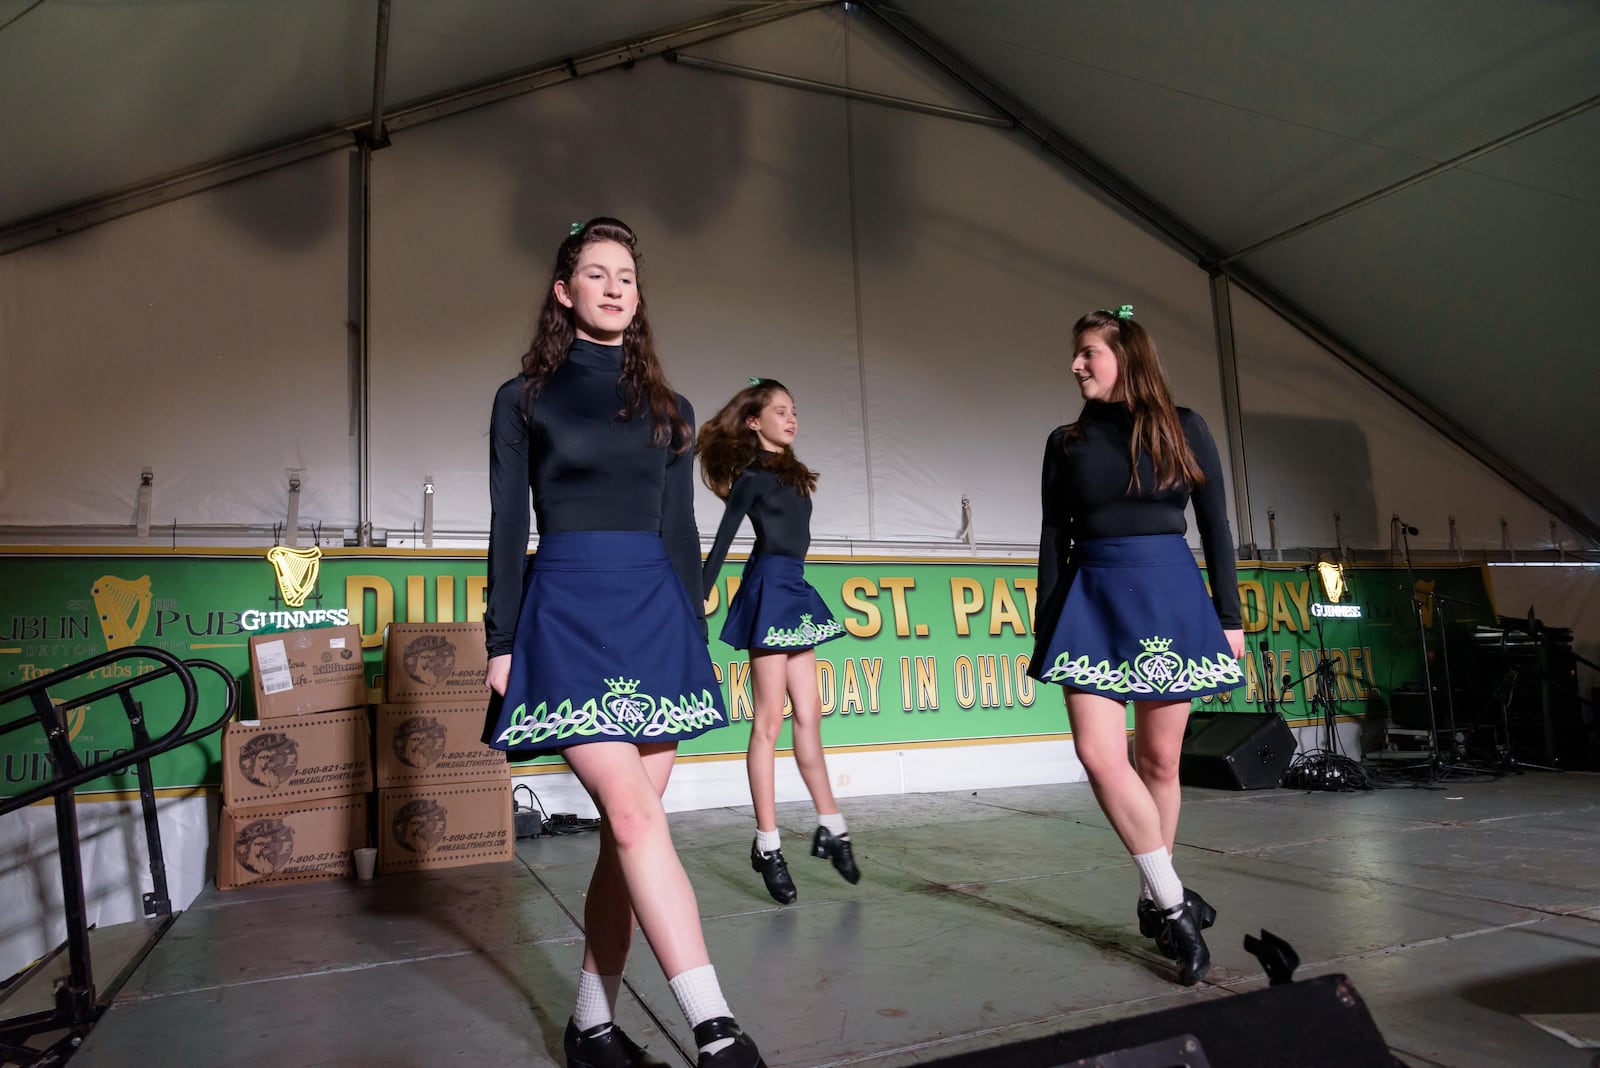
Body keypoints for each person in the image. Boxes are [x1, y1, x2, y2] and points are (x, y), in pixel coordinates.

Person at [483, 218, 765, 1068]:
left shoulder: (671, 409)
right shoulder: (521, 399)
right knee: (637, 816)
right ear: (564, 293)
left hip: (655, 619)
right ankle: (716, 1029)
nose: (614, 286)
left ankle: (590, 1028)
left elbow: (679, 532)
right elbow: (506, 526)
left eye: (628, 277)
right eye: (596, 274)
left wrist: (694, 634)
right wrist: (503, 639)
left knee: (625, 834)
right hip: (565, 615)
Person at [1028, 305, 1244, 986]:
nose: (1076, 365)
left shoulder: (1186, 427)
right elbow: (1051, 539)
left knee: (1160, 760)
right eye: (1076, 354)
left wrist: (1230, 618)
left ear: (1128, 357)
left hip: (1171, 595)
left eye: (1088, 352)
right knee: (1098, 753)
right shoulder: (1065, 442)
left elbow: (1216, 528)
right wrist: (1046, 621)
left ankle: (1155, 894)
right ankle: (1176, 905)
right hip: (1092, 596)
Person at [697, 379, 858, 906]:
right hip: (768, 590)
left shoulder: (795, 477)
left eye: (795, 411)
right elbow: (722, 541)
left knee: (809, 716)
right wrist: (700, 592)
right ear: (753, 422)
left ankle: (832, 827)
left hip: (794, 588)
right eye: (780, 411)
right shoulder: (750, 478)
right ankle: (767, 844)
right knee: (768, 719)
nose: (791, 419)